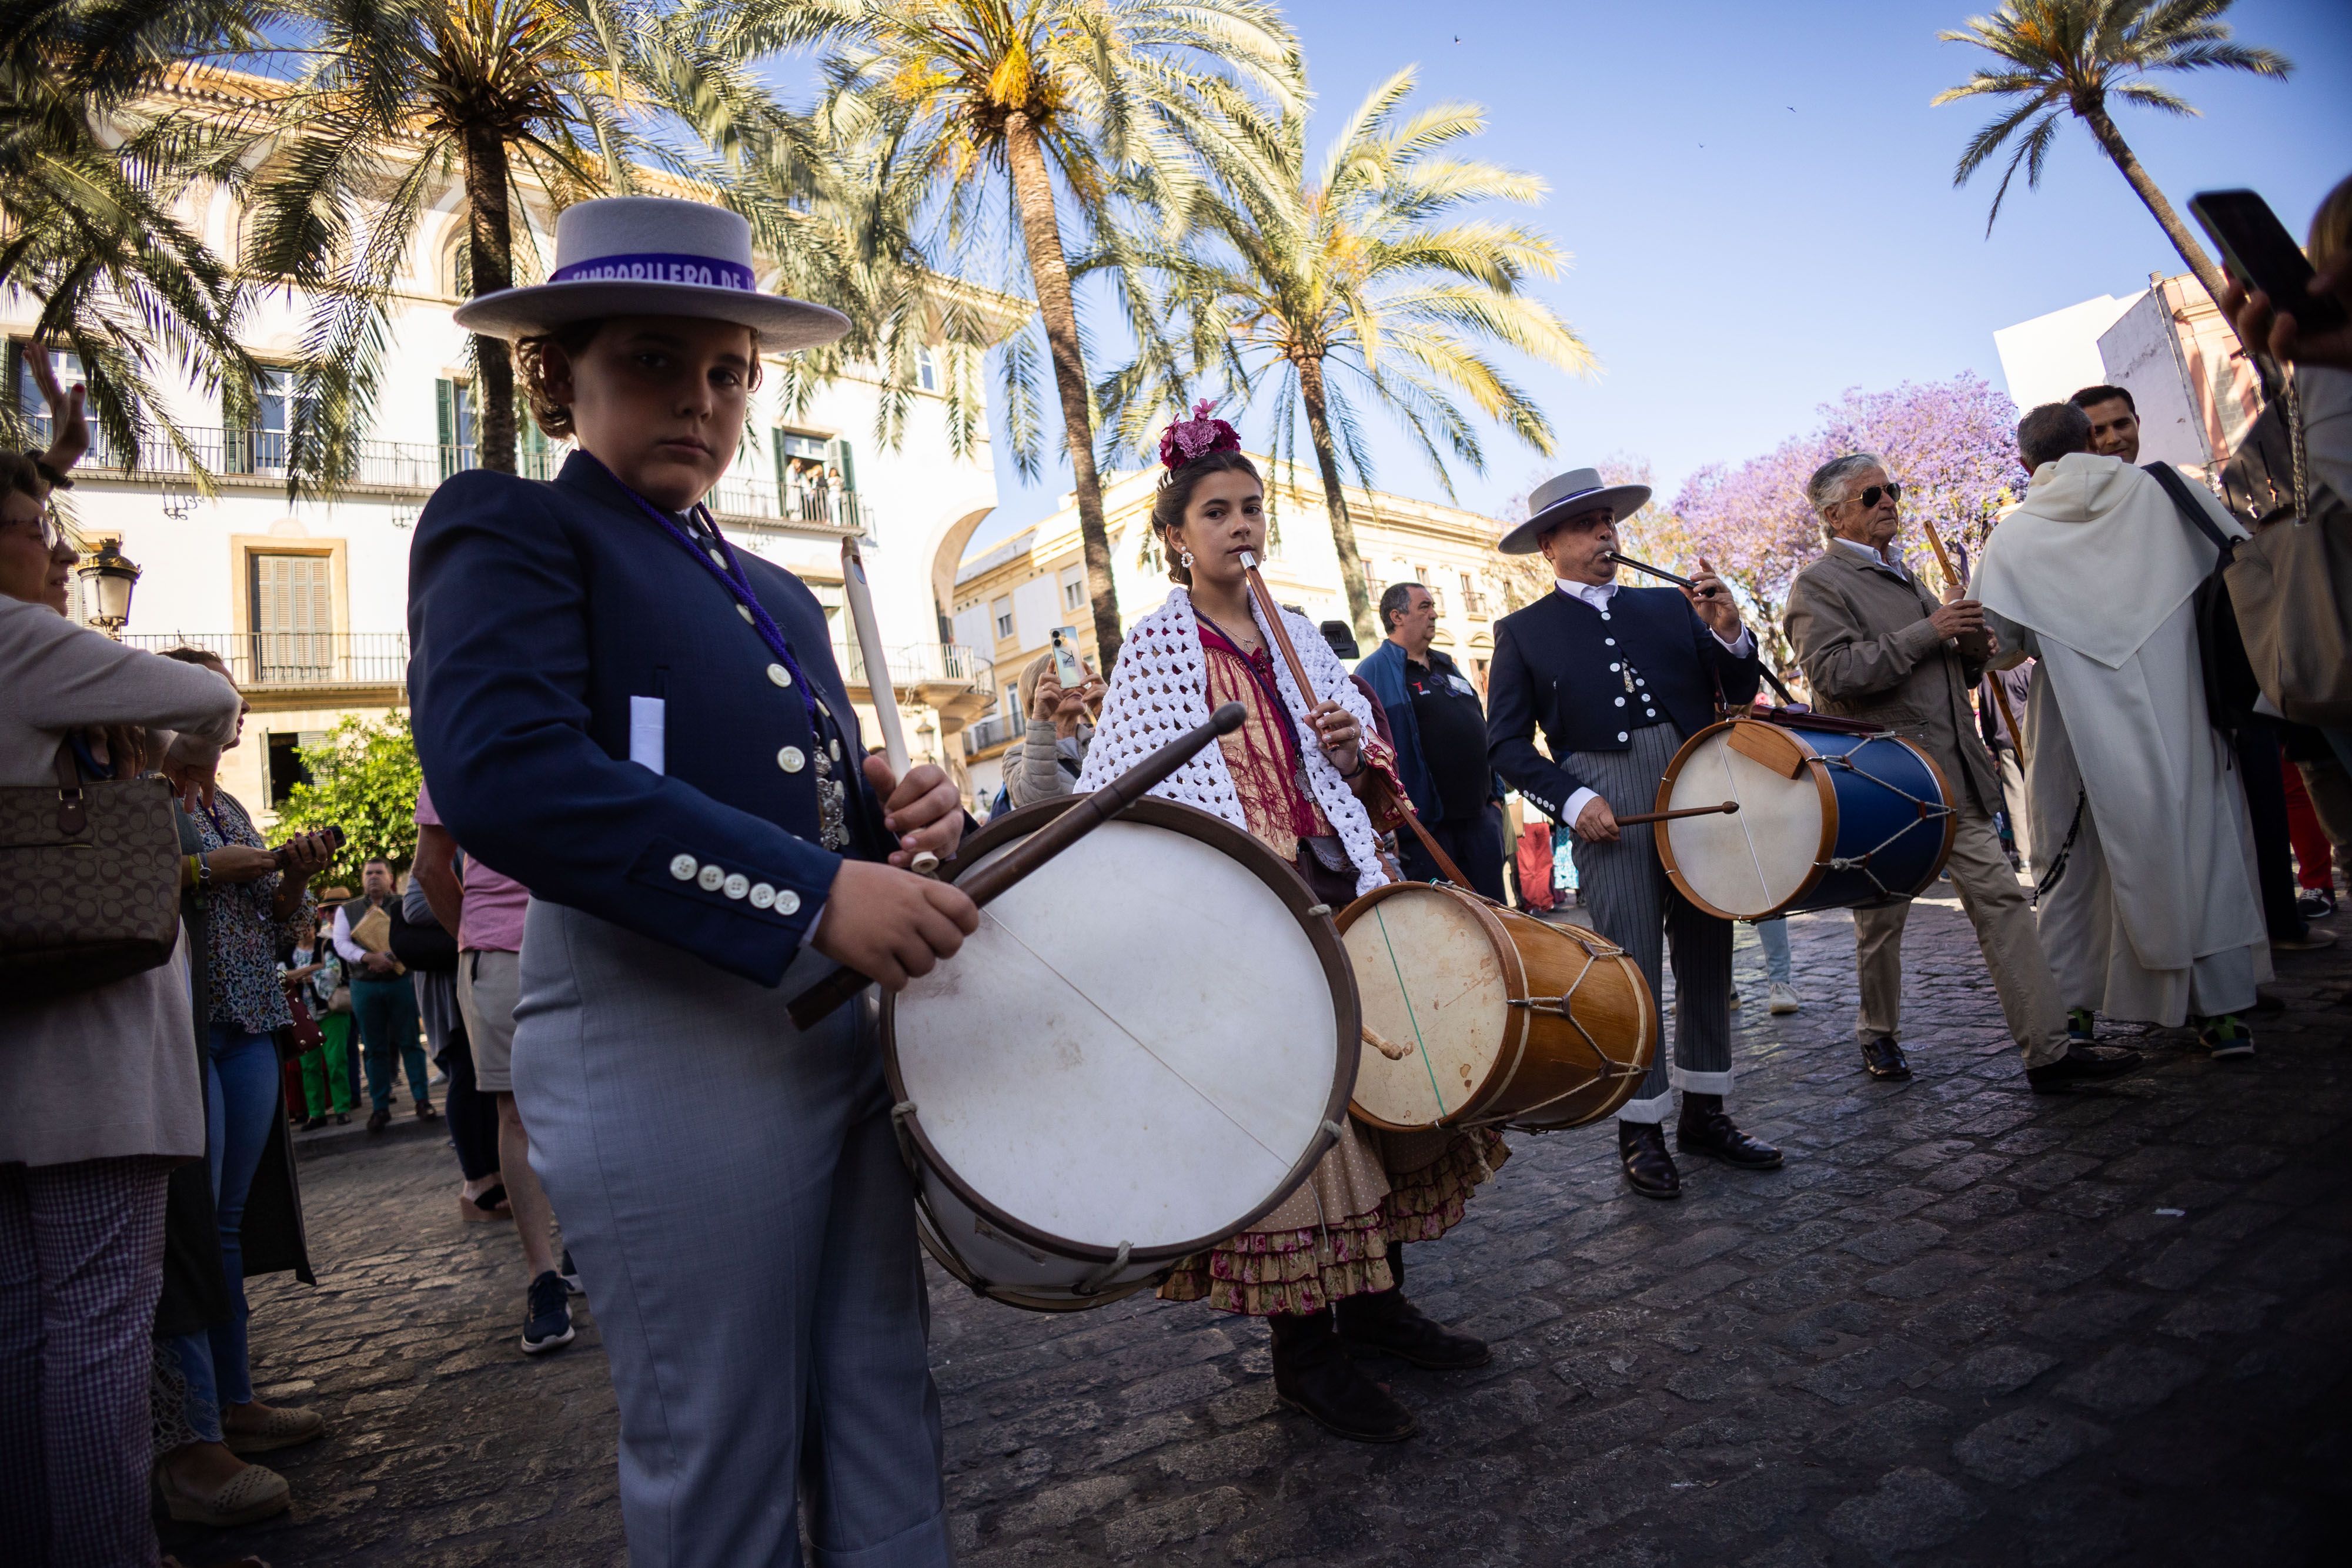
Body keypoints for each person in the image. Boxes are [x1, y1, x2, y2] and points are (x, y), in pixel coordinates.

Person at [409, 195, 977, 1567]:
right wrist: (809, 893)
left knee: (880, 1399)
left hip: (830, 1034)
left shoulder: (777, 595)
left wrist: (904, 827)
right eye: (656, 361)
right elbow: (508, 773)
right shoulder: (514, 528)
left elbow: (826, 818)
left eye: (729, 372)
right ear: (560, 373)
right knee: (720, 1446)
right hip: (652, 1034)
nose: (703, 402)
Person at [1075, 406, 1501, 1445]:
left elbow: (1368, 781)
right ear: (1177, 533)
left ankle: (1379, 1308)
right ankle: (1307, 1359)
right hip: (1247, 916)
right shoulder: (1157, 650)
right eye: (1215, 511)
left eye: (1252, 508)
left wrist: (1357, 750)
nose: (1239, 526)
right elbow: (1117, 794)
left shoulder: (1305, 634)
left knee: (1382, 1100)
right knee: (1300, 1127)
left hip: (1343, 890)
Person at [2, 440, 247, 1566]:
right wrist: (94, 652)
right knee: (98, 1330)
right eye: (34, 529)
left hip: (23, 1065)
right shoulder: (17, 646)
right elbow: (205, 691)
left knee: (23, 1335)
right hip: (84, 1067)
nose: (58, 552)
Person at [1782, 455, 2128, 1089]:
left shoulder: (1905, 575)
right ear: (1834, 514)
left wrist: (1967, 645)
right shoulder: (1818, 584)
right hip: (1887, 785)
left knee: (2001, 904)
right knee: (1881, 924)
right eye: (1872, 494)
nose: (1889, 500)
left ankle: (2048, 1053)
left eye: (1893, 489)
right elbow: (1831, 678)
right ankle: (1877, 1033)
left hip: (1954, 779)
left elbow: (1945, 677)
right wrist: (1929, 630)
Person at [1486, 466, 1779, 1201]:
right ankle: (1641, 1127)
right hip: (1603, 802)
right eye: (1586, 525)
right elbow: (1507, 747)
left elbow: (1738, 692)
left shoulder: (1669, 607)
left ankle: (1706, 1112)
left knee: (1710, 946)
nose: (1604, 533)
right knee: (1633, 969)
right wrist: (1572, 797)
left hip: (1692, 785)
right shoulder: (1521, 632)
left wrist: (1730, 631)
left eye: (1608, 521)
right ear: (1548, 545)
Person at [1975, 403, 2272, 1055]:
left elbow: (1999, 647)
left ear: (2026, 465)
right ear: (2092, 441)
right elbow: (2234, 563)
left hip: (2075, 725)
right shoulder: (2166, 492)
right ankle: (2220, 1011)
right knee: (2200, 840)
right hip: (2182, 700)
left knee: (2077, 865)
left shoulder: (2015, 538)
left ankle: (2075, 1010)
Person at [146, 648, 331, 1512]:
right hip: (183, 1027)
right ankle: (199, 1434)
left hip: (250, 1020)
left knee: (221, 1221)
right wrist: (197, 870)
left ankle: (234, 1401)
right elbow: (136, 896)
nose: (234, 711)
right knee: (193, 1221)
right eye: (217, 697)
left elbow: (280, 922)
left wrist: (291, 869)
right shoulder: (144, 796)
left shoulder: (227, 804)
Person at [2069, 383, 2332, 957]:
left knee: (2262, 797)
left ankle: (2278, 924)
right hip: (2149, 687)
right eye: (2098, 430)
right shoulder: (2075, 513)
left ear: (2138, 423)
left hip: (2223, 672)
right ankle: (2213, 951)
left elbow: (2234, 551)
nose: (2114, 438)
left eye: (2122, 424)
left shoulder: (2169, 485)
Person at [413, 784, 577, 1352]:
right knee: (517, 1114)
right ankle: (543, 1275)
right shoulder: (458, 729)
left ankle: (583, 1243)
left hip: (597, 938)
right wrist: (480, 934)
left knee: (601, 1100)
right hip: (503, 951)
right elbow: (430, 867)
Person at [1356, 581, 1509, 902]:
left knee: (1501, 919)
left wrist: (1495, 798)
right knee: (1450, 923)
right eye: (1424, 607)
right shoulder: (1373, 672)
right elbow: (1368, 752)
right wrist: (1389, 823)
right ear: (1397, 616)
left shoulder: (1447, 664)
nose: (1434, 614)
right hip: (1426, 832)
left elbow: (1479, 727)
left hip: (1480, 821)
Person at [392, 841, 504, 1219]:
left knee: (489, 1081)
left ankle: (497, 1173)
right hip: (450, 984)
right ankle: (477, 1181)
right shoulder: (451, 840)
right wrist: (485, 916)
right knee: (466, 1074)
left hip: (477, 972)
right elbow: (417, 906)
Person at [335, 857, 437, 1129]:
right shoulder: (348, 910)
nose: (374, 877)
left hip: (400, 981)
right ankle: (380, 1108)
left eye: (379, 872)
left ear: (390, 878)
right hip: (364, 985)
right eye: (369, 873)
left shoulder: (404, 905)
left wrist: (390, 955)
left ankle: (422, 1100)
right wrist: (368, 957)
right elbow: (341, 944)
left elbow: (416, 936)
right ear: (362, 878)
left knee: (411, 1042)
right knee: (373, 1047)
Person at [1003, 650, 1101, 810]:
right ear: (1035, 697)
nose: (1076, 685)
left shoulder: (1101, 740)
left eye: (1077, 675)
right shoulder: (1016, 756)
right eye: (1061, 677)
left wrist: (1109, 713)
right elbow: (1038, 804)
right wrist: (1040, 719)